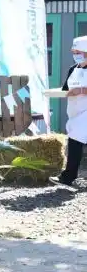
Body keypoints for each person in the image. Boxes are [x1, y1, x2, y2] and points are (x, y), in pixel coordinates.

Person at [52, 35, 87, 188]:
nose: (75, 55)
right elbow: (65, 89)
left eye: (78, 51)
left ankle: (69, 177)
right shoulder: (73, 69)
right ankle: (68, 177)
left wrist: (82, 89)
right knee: (74, 144)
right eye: (74, 52)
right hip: (75, 113)